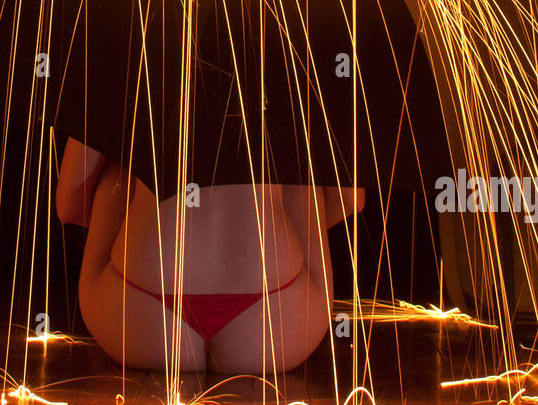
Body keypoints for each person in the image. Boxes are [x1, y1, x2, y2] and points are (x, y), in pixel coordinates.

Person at [55, 135, 364, 373]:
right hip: (276, 321)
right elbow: (351, 198)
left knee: (116, 167)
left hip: (138, 315)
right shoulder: (295, 70)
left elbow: (69, 205)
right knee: (303, 173)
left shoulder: (124, 63)